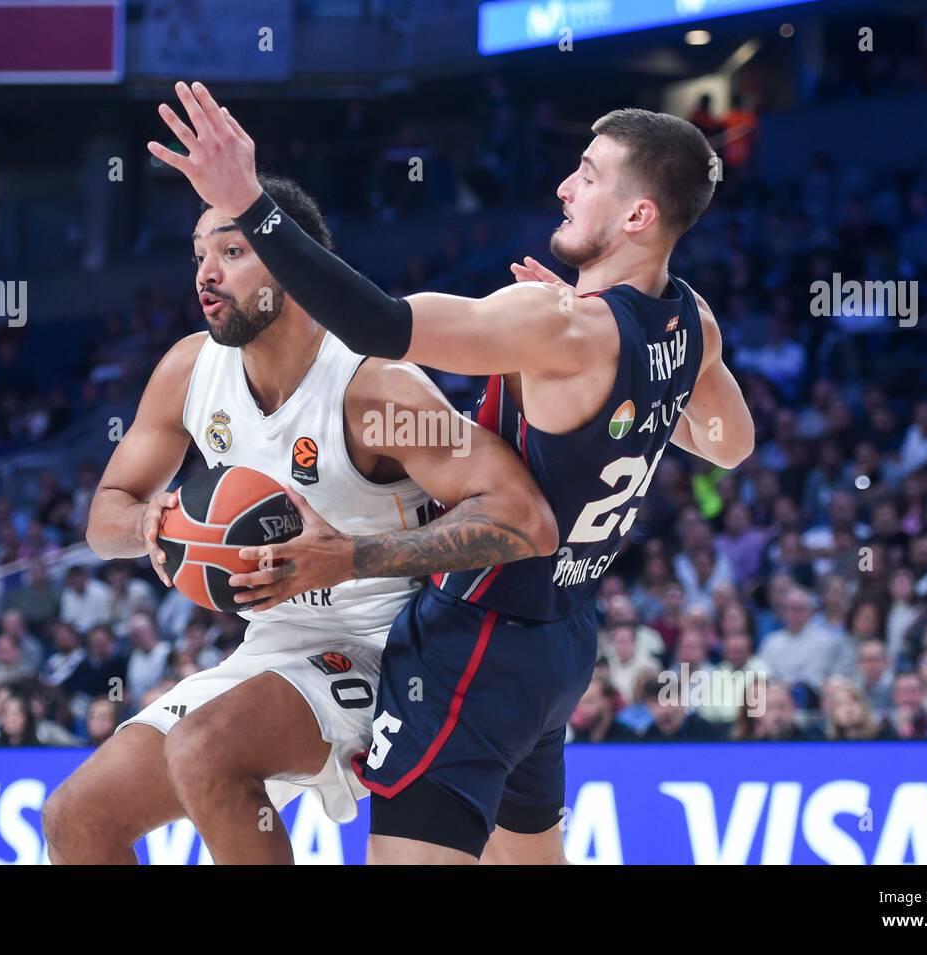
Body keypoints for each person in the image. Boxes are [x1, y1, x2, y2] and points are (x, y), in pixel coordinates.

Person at [152, 83, 754, 863]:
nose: (565, 187)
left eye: (589, 173)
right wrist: (610, 386)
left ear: (638, 216)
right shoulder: (691, 320)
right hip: (562, 640)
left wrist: (251, 204)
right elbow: (728, 442)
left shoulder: (557, 324)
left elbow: (377, 324)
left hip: (476, 637)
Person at [43, 174, 556, 866]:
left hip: (393, 644)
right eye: (198, 254)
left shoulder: (374, 385)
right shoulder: (189, 370)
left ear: (293, 263)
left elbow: (523, 519)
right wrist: (145, 526)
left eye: (231, 251)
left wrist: (348, 556)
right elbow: (106, 513)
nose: (206, 273)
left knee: (205, 750)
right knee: (76, 816)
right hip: (277, 641)